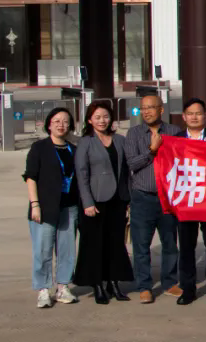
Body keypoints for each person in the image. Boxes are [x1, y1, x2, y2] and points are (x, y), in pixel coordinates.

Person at [73, 100, 134, 304]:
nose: (102, 121)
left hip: (118, 199)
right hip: (95, 201)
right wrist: (87, 202)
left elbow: (126, 170)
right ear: (90, 120)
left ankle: (113, 283)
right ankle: (97, 283)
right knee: (95, 244)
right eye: (97, 117)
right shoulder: (86, 142)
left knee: (115, 243)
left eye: (105, 117)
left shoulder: (120, 140)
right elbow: (82, 174)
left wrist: (128, 199)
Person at [124, 92, 181, 304]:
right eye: (143, 108)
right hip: (142, 197)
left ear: (161, 109)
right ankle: (144, 286)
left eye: (151, 107)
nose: (146, 112)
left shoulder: (174, 132)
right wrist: (152, 150)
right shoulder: (134, 134)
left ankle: (170, 282)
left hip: (168, 198)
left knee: (170, 244)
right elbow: (132, 164)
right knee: (141, 245)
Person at [23, 107, 81, 308]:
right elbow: (31, 177)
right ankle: (43, 289)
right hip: (45, 208)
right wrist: (35, 205)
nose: (61, 125)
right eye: (56, 121)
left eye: (65, 121)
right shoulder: (39, 148)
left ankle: (63, 287)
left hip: (69, 207)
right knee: (43, 251)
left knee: (67, 251)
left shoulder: (74, 149)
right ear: (49, 124)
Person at [173, 98, 206, 305]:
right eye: (190, 113)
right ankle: (188, 289)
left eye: (198, 113)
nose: (194, 117)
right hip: (186, 201)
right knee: (187, 247)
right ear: (184, 117)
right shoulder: (176, 140)